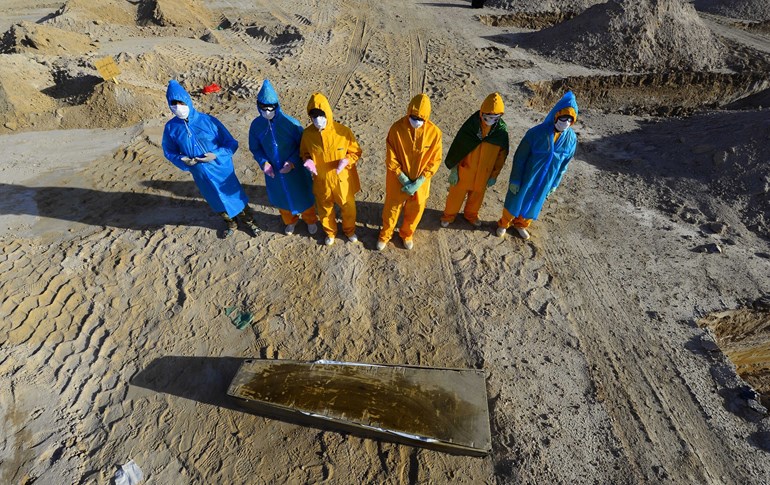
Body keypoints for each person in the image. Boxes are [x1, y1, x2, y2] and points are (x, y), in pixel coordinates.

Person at [161, 80, 258, 238]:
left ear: (187, 101)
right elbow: (169, 151)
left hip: (221, 170)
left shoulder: (208, 121)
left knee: (234, 197)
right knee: (214, 199)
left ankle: (250, 222)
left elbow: (231, 144)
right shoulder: (171, 128)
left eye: (181, 102)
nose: (178, 107)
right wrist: (183, 159)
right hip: (200, 173)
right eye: (174, 104)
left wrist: (216, 155)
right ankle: (231, 223)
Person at [497, 91, 578, 240]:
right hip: (528, 175)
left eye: (570, 119)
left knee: (535, 201)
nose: (566, 122)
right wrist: (515, 179)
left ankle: (521, 224)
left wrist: (554, 184)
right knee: (516, 198)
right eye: (563, 117)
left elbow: (563, 165)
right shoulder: (536, 133)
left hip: (547, 179)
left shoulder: (571, 139)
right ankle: (504, 223)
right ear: (556, 115)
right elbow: (520, 158)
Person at [248, 79, 318, 236]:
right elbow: (255, 148)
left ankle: (310, 220)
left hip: (296, 171)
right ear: (258, 106)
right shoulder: (256, 126)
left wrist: (292, 162)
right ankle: (290, 221)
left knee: (304, 197)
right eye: (264, 107)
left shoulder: (291, 124)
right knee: (282, 201)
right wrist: (264, 163)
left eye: (271, 107)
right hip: (274, 172)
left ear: (277, 105)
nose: (267, 111)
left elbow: (303, 146)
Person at [377, 94, 442, 251]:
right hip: (397, 179)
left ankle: (407, 234)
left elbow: (435, 159)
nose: (416, 121)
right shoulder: (396, 129)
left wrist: (421, 179)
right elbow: (391, 155)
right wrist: (400, 176)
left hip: (421, 181)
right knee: (392, 208)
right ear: (408, 113)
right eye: (413, 117)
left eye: (420, 119)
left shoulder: (434, 133)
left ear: (426, 117)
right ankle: (385, 235)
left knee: (416, 209)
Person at [299, 92, 362, 246]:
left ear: (327, 113)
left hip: (342, 180)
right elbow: (304, 153)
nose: (317, 119)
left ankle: (349, 231)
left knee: (349, 208)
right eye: (313, 116)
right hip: (321, 180)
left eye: (320, 115)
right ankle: (330, 232)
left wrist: (346, 160)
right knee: (325, 209)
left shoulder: (343, 132)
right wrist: (307, 161)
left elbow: (356, 152)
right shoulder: (307, 135)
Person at [441, 92, 509, 228]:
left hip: (484, 174)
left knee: (476, 198)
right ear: (482, 112)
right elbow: (458, 148)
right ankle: (448, 216)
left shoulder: (501, 132)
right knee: (455, 196)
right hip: (464, 170)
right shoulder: (471, 126)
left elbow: (501, 156)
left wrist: (494, 175)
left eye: (495, 117)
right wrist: (454, 169)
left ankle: (471, 215)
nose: (490, 119)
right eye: (488, 116)